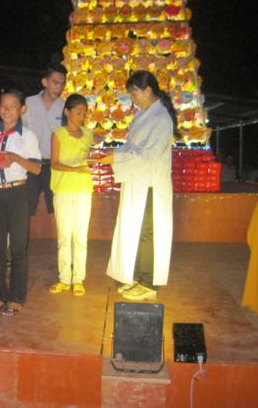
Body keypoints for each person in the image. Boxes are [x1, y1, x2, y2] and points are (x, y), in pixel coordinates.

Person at [98, 71, 176, 300]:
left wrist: (116, 158)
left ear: (148, 90)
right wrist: (115, 153)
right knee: (137, 230)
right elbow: (133, 147)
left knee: (149, 232)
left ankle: (149, 282)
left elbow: (148, 155)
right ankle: (138, 276)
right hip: (138, 181)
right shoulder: (144, 115)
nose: (132, 98)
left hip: (150, 184)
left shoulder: (160, 118)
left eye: (134, 93)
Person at [0, 89, 41, 317]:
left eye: (13, 106)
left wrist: (15, 158)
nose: (7, 110)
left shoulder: (28, 136)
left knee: (18, 248)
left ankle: (16, 298)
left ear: (22, 109)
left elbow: (36, 168)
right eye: (3, 106)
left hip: (17, 194)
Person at [48, 94, 101, 297]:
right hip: (63, 189)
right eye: (78, 112)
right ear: (66, 112)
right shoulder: (58, 134)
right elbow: (54, 163)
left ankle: (78, 279)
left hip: (83, 189)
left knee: (80, 236)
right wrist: (75, 169)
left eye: (84, 113)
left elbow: (98, 144)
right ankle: (64, 279)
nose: (82, 116)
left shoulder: (88, 134)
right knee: (64, 237)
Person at [22, 64, 67, 215]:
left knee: (57, 209)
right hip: (30, 164)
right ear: (45, 82)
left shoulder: (64, 107)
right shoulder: (28, 103)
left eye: (62, 84)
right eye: (55, 82)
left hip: (54, 165)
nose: (59, 88)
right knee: (26, 209)